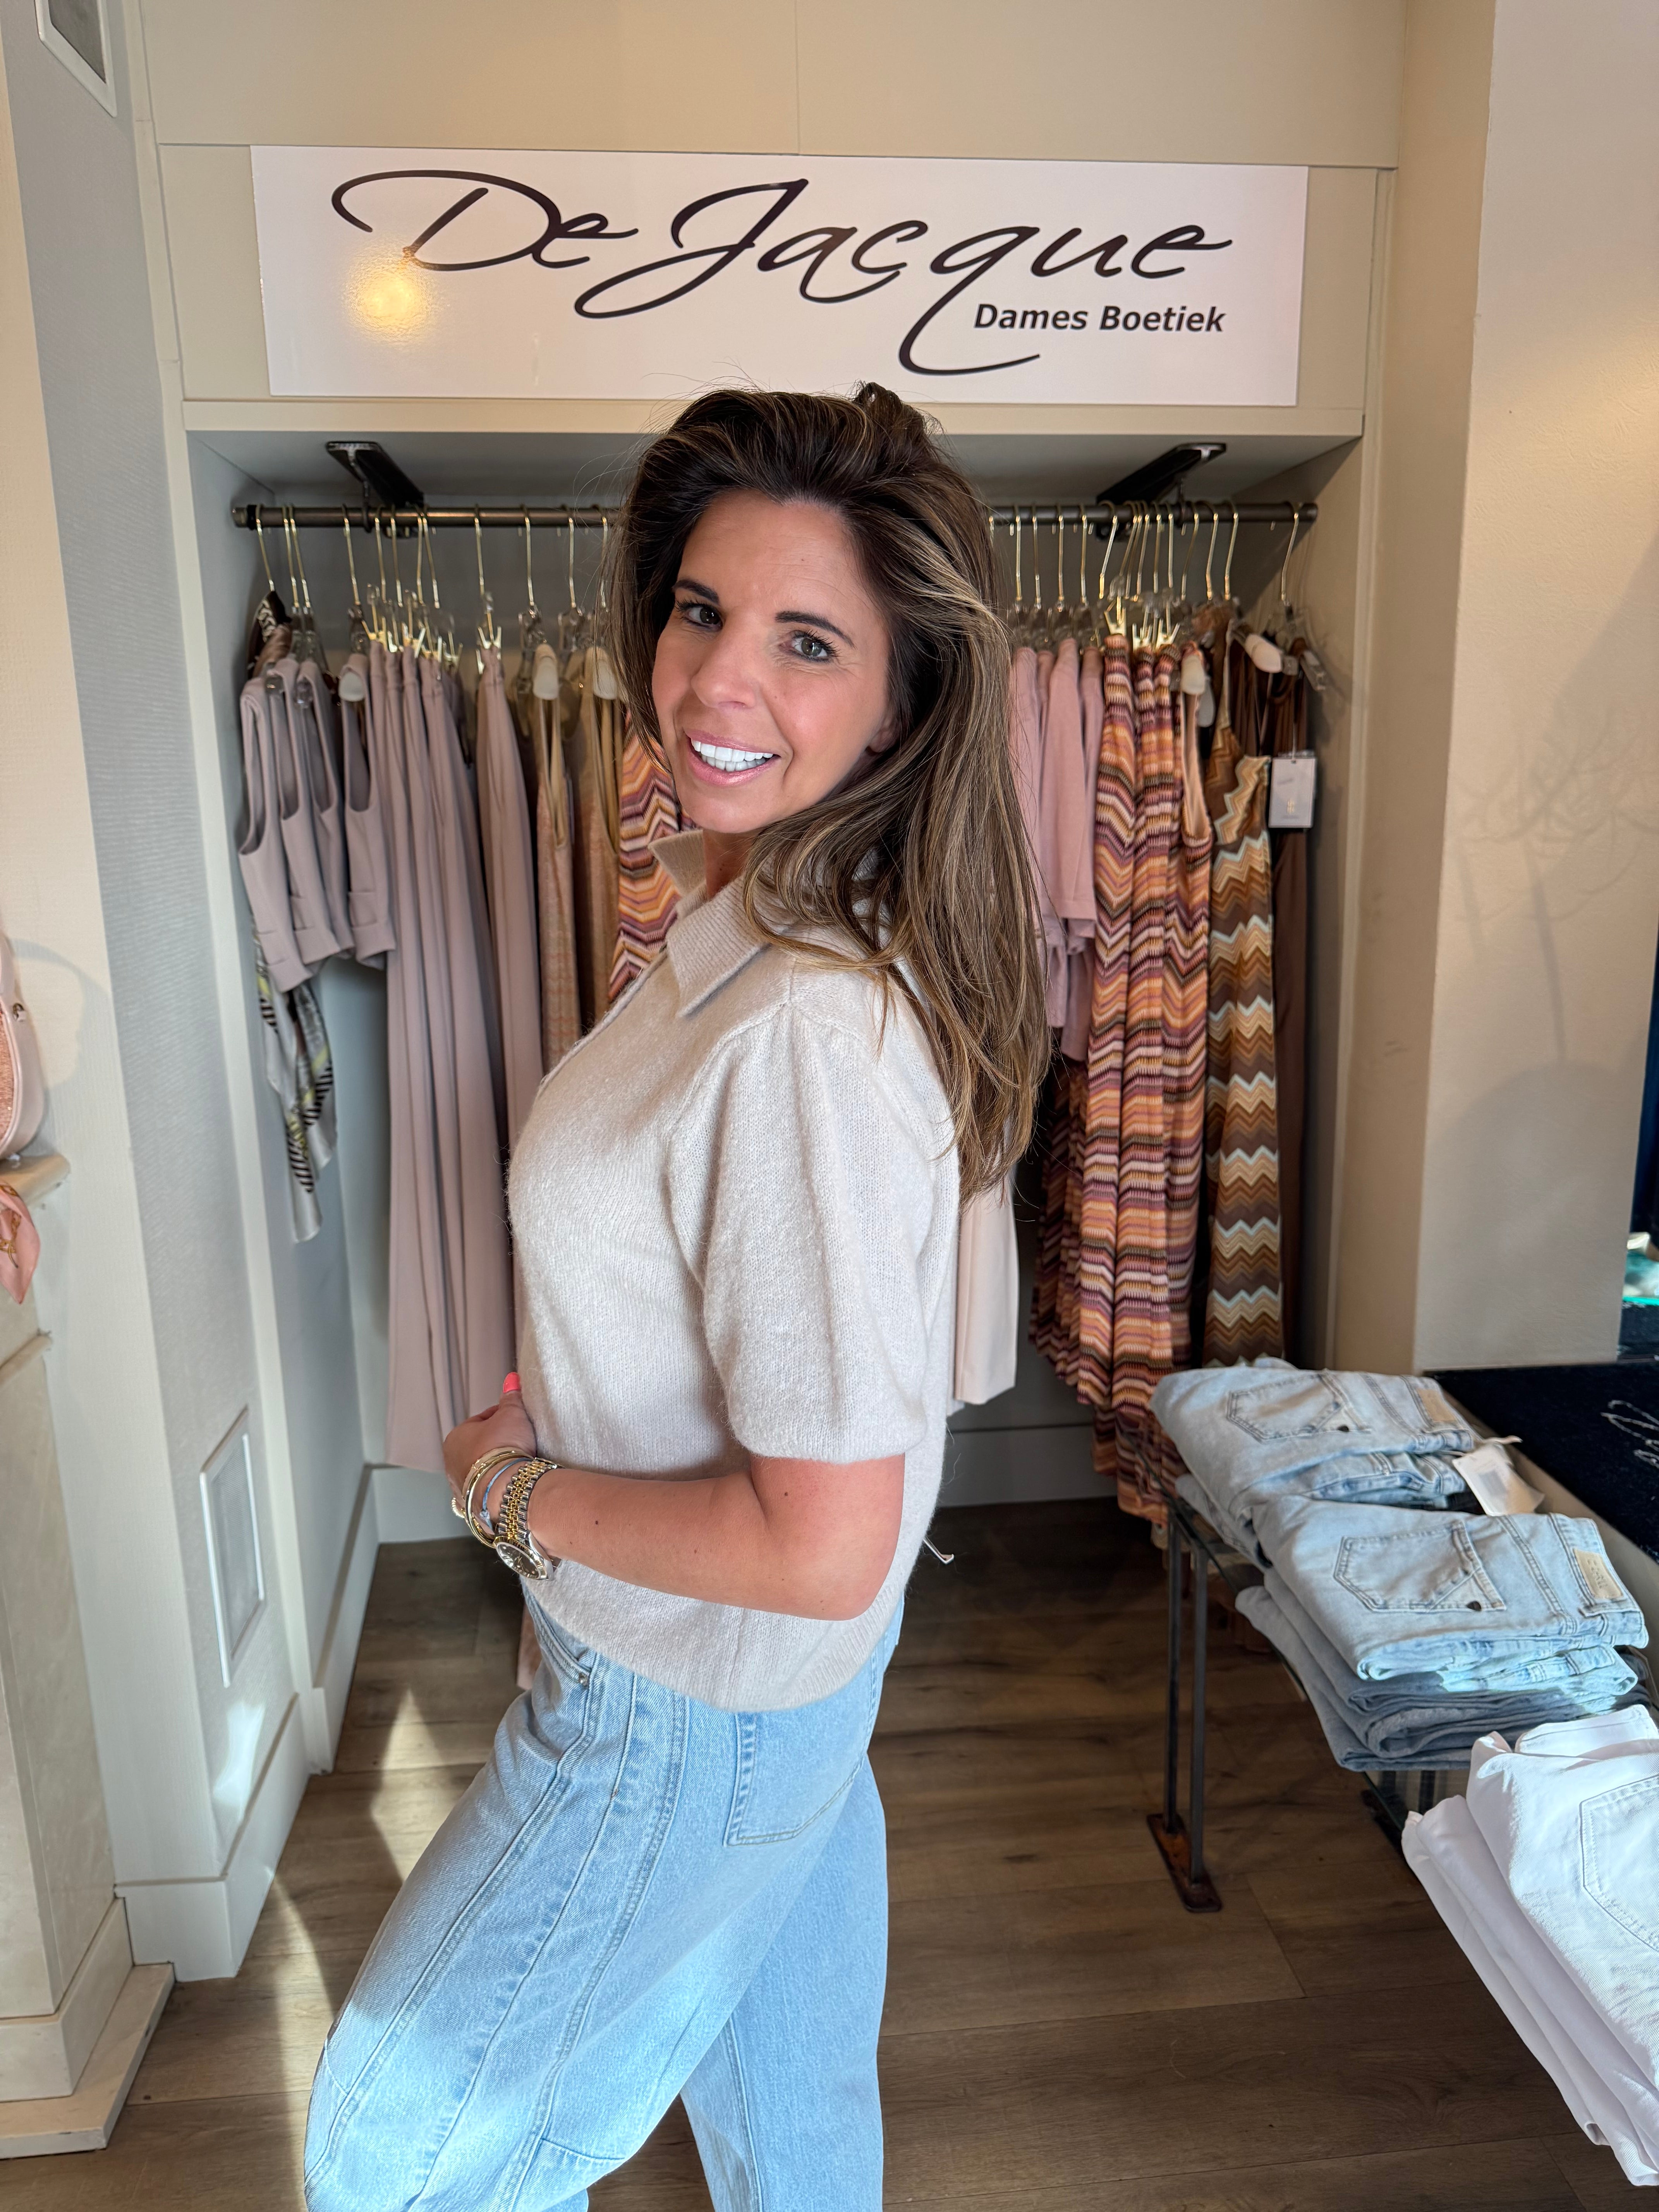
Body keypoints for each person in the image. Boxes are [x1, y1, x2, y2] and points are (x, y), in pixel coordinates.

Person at [303, 385, 1048, 2211]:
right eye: (704, 611)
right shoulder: (745, 943)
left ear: (900, 703)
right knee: (798, 2139)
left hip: (680, 1716)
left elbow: (823, 1543)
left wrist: (507, 1488)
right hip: (766, 1705)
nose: (720, 676)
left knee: (387, 2159)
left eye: (808, 641)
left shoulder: (799, 1023)